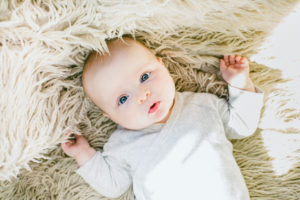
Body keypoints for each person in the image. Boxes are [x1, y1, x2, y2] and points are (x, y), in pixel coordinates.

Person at [61, 37, 264, 200]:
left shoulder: (203, 105)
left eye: (144, 77)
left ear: (163, 65)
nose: (143, 95)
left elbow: (241, 126)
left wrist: (240, 84)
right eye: (123, 99)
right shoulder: (122, 144)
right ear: (110, 116)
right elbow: (113, 185)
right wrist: (84, 154)